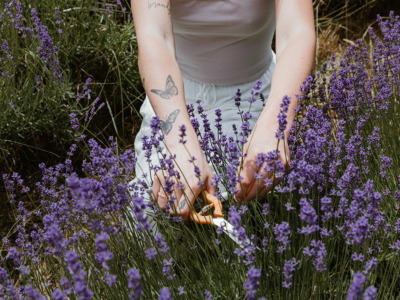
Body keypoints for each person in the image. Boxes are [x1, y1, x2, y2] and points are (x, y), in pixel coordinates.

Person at [130, 0, 316, 221]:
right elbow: (154, 35)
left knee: (259, 205)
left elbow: (296, 32)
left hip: (253, 94)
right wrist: (179, 142)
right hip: (173, 95)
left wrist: (274, 125)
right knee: (150, 212)